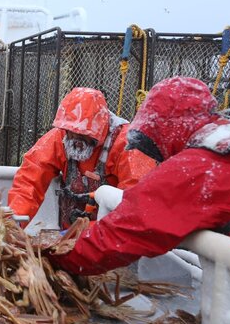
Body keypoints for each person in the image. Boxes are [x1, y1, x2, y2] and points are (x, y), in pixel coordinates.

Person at [49, 77, 230, 324]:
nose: (152, 151)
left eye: (151, 141)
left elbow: (124, 231)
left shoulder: (201, 164)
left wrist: (53, 257)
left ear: (165, 127)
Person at [8, 87, 156, 229]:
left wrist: (88, 233)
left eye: (83, 134)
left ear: (102, 127)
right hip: (69, 233)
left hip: (113, 236)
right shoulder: (60, 137)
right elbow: (30, 179)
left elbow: (136, 205)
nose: (76, 139)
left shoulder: (128, 145)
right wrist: (14, 222)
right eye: (71, 132)